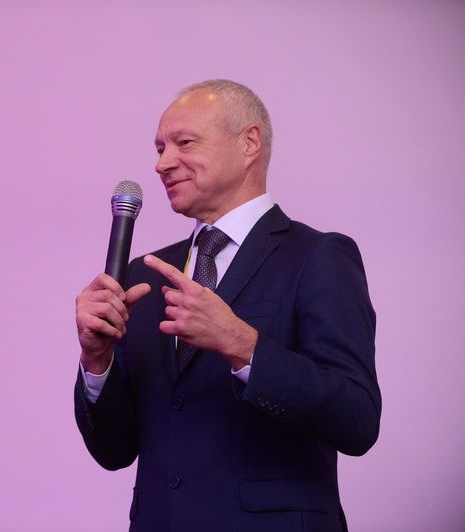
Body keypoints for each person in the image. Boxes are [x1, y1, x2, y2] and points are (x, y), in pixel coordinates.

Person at [74, 80, 380, 531]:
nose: (162, 163)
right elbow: (114, 450)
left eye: (184, 143)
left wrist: (243, 345)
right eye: (159, 148)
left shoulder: (317, 257)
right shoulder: (146, 275)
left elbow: (357, 419)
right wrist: (96, 362)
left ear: (249, 143)